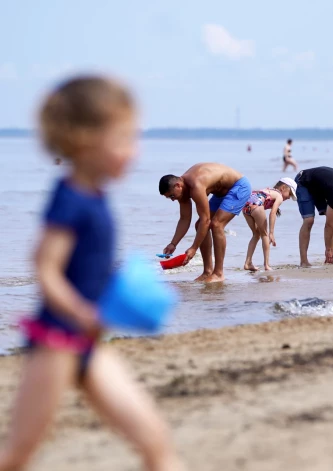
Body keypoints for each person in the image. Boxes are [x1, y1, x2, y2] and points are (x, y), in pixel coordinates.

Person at [0, 76, 184, 471]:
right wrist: (82, 312)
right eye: (124, 140)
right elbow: (45, 269)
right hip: (55, 343)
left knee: (155, 440)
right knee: (17, 456)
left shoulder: (97, 196)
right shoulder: (70, 198)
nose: (134, 152)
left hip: (87, 344)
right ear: (84, 140)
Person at [159, 164, 251, 283]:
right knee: (199, 226)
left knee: (216, 224)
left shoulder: (196, 185)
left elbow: (206, 220)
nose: (172, 199)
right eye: (169, 198)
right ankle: (207, 271)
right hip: (220, 193)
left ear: (178, 185)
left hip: (239, 187)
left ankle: (218, 273)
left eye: (172, 196)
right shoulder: (182, 190)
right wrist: (173, 244)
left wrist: (194, 248)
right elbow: (184, 219)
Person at [242, 177, 297, 271]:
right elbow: (273, 214)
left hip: (245, 206)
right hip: (257, 206)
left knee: (256, 234)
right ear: (283, 188)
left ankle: (248, 263)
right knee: (265, 235)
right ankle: (266, 265)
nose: (288, 198)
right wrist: (271, 232)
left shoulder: (269, 190)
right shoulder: (279, 196)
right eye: (290, 194)